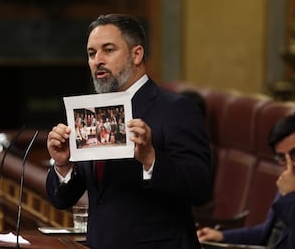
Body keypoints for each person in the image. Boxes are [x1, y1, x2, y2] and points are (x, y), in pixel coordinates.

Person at [45, 14, 212, 249]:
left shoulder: (176, 109)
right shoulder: (91, 112)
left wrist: (151, 159)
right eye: (92, 54)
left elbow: (200, 187)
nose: (97, 61)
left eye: (108, 50)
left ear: (137, 54)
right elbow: (63, 199)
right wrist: (63, 165)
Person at [197, 114, 295, 248]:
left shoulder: (289, 189)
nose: (290, 165)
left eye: (294, 154)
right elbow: (266, 233)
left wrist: (290, 197)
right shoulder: (288, 181)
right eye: (282, 158)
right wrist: (222, 236)